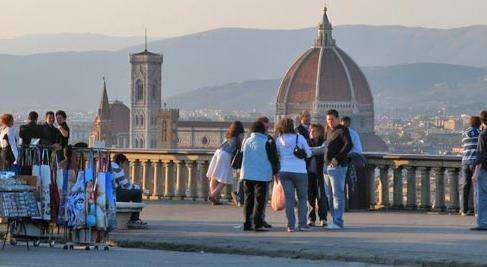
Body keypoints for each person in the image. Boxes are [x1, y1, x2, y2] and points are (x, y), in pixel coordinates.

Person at [275, 117, 312, 232]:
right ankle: (302, 224)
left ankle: (290, 225)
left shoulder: (278, 140)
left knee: (289, 199)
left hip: (285, 171)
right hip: (300, 171)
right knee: (302, 198)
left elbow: (277, 155)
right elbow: (309, 154)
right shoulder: (299, 138)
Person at [240, 121, 274, 231]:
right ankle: (258, 224)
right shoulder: (266, 141)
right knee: (260, 200)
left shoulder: (246, 141)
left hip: (247, 174)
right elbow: (272, 158)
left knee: (248, 199)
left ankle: (247, 223)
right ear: (262, 130)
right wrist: (275, 170)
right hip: (261, 175)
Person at [324, 109, 352, 230]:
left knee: (337, 194)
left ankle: (338, 221)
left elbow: (349, 145)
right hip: (327, 167)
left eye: (331, 119)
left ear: (337, 118)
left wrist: (337, 158)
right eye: (328, 120)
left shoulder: (343, 130)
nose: (329, 122)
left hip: (338, 167)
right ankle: (334, 220)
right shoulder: (329, 131)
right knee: (329, 195)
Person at [207, 121, 245, 205]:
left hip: (218, 152)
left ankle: (214, 198)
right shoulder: (239, 136)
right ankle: (213, 195)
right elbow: (240, 148)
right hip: (226, 155)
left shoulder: (228, 136)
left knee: (214, 176)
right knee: (224, 179)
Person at [111, 153, 148, 229]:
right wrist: (139, 188)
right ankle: (134, 220)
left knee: (130, 192)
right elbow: (126, 185)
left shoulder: (109, 166)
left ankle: (133, 218)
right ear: (121, 162)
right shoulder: (117, 168)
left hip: (110, 193)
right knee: (137, 193)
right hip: (115, 194)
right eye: (124, 164)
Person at [307, 123, 328, 227]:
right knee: (310, 196)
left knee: (321, 196)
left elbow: (322, 150)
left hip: (321, 173)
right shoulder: (307, 142)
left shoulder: (324, 142)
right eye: (310, 131)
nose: (311, 132)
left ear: (319, 133)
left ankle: (323, 218)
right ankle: (311, 218)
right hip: (309, 173)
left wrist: (309, 151)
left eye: (313, 131)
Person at [461, 116, 481, 216]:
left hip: (465, 162)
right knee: (477, 188)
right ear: (479, 123)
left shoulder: (464, 133)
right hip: (475, 163)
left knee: (465, 187)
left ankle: (463, 210)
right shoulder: (480, 133)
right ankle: (477, 211)